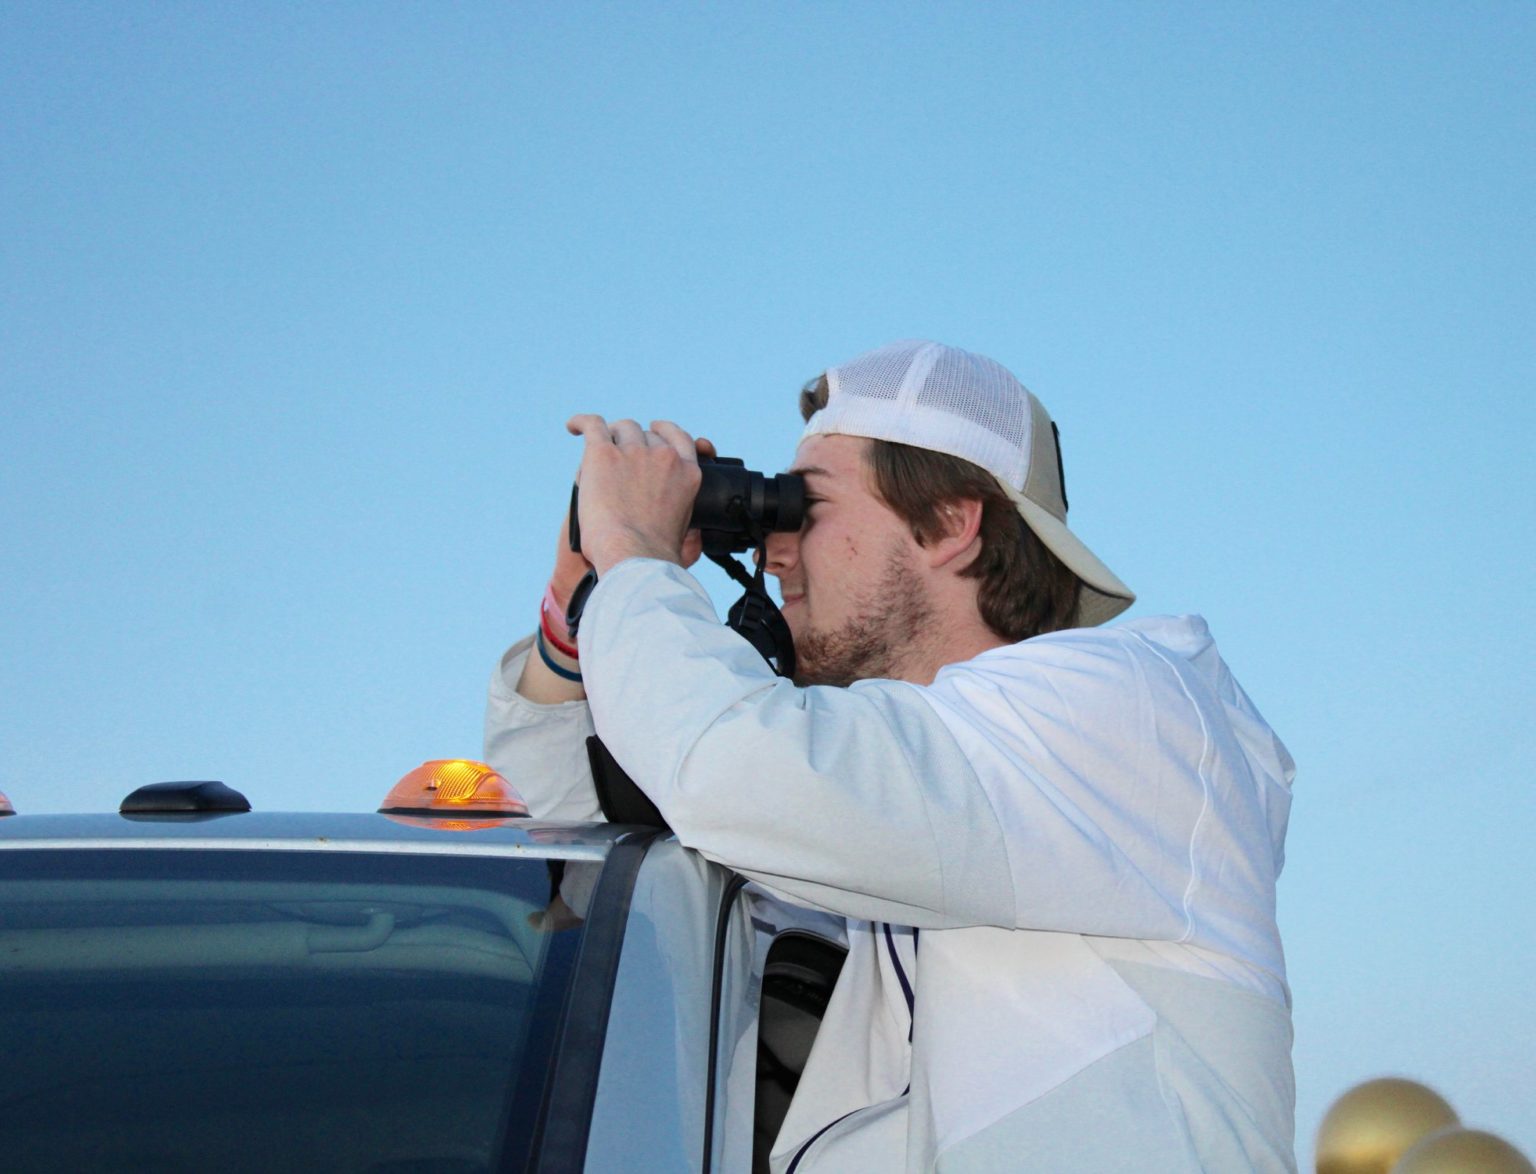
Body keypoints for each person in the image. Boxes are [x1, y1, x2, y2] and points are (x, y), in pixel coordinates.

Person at [485, 340, 1297, 1172]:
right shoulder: (905, 836)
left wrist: (634, 547)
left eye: (808, 506)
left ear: (950, 522)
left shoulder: (1128, 713)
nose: (773, 549)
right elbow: (605, 878)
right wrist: (575, 613)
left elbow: (733, 770)